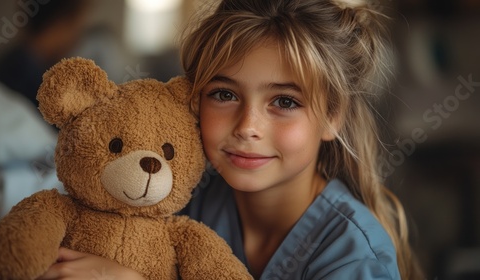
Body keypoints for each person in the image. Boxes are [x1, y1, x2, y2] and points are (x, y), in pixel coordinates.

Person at [38, 0, 423, 279]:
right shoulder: (187, 199)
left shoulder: (352, 259)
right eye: (224, 94)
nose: (247, 126)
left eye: (285, 101)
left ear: (332, 117)